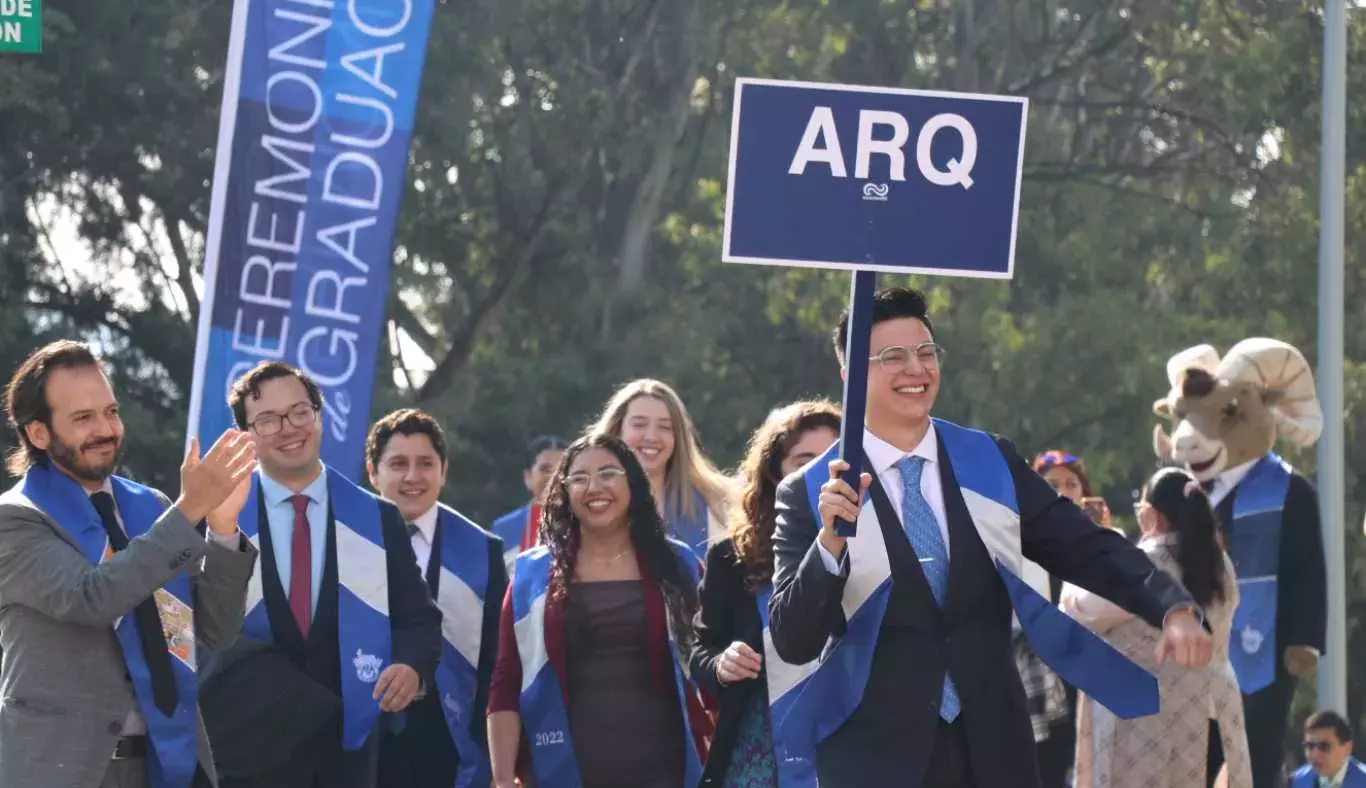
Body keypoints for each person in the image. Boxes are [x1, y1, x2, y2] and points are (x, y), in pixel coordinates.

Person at [767, 287, 1214, 788]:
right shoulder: (811, 491)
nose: (915, 369)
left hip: (993, 748)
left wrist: (1171, 606)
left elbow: (1083, 544)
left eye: (926, 352)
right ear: (849, 376)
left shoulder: (987, 462)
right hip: (874, 756)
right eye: (893, 357)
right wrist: (829, 544)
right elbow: (793, 638)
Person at [0, 340, 258, 788]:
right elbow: (93, 596)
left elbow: (211, 631)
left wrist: (221, 527)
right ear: (38, 433)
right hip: (61, 770)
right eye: (83, 418)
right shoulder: (15, 519)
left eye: (110, 411)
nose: (105, 429)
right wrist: (189, 510)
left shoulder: (151, 509)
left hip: (166, 764)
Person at [221, 362, 442, 788]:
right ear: (245, 435)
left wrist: (410, 665)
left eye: (300, 412)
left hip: (347, 751)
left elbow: (419, 619)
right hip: (246, 750)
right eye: (268, 420)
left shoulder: (376, 518)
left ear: (320, 416)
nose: (289, 429)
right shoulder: (220, 514)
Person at [487, 433, 712, 788]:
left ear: (633, 483)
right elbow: (506, 678)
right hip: (561, 769)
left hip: (667, 767)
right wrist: (501, 778)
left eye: (609, 473)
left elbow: (710, 666)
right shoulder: (531, 575)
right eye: (579, 478)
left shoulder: (678, 564)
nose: (594, 487)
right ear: (564, 491)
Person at [1064, 467, 1252, 787]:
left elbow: (1078, 608)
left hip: (1143, 726)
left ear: (1151, 516)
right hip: (1209, 717)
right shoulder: (1221, 566)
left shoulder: (1145, 562)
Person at [690, 399, 840, 786]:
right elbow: (701, 653)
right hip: (761, 751)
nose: (820, 473)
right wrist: (723, 664)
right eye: (804, 461)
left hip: (850, 743)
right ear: (775, 474)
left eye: (832, 458)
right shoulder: (731, 557)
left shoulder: (877, 544)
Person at [366, 409, 506, 788]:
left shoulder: (483, 551)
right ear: (373, 471)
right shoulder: (342, 537)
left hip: (447, 741)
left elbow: (497, 660)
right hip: (360, 742)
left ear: (443, 471)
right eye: (398, 463)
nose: (413, 476)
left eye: (425, 463)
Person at [592, 378, 734, 563]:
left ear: (677, 438)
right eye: (639, 425)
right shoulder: (588, 500)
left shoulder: (714, 505)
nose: (651, 436)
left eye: (665, 427)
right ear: (617, 431)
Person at [489, 435, 566, 571]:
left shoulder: (585, 525)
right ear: (528, 477)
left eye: (561, 471)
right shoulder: (504, 530)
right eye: (545, 469)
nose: (553, 477)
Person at [1291, 711, 1365, 787]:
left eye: (1324, 746)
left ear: (1347, 748)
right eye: (1310, 746)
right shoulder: (1297, 781)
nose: (1315, 754)